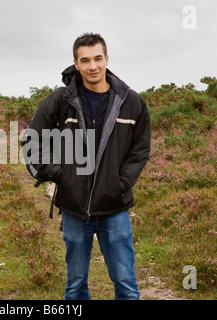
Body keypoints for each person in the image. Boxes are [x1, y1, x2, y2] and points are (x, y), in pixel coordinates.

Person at [23, 33, 151, 300]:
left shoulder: (131, 102)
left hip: (115, 207)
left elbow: (139, 152)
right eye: (85, 60)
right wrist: (60, 173)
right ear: (76, 63)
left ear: (107, 59)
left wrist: (121, 184)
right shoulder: (61, 100)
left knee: (126, 284)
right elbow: (32, 140)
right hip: (74, 208)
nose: (92, 66)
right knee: (76, 285)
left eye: (97, 58)